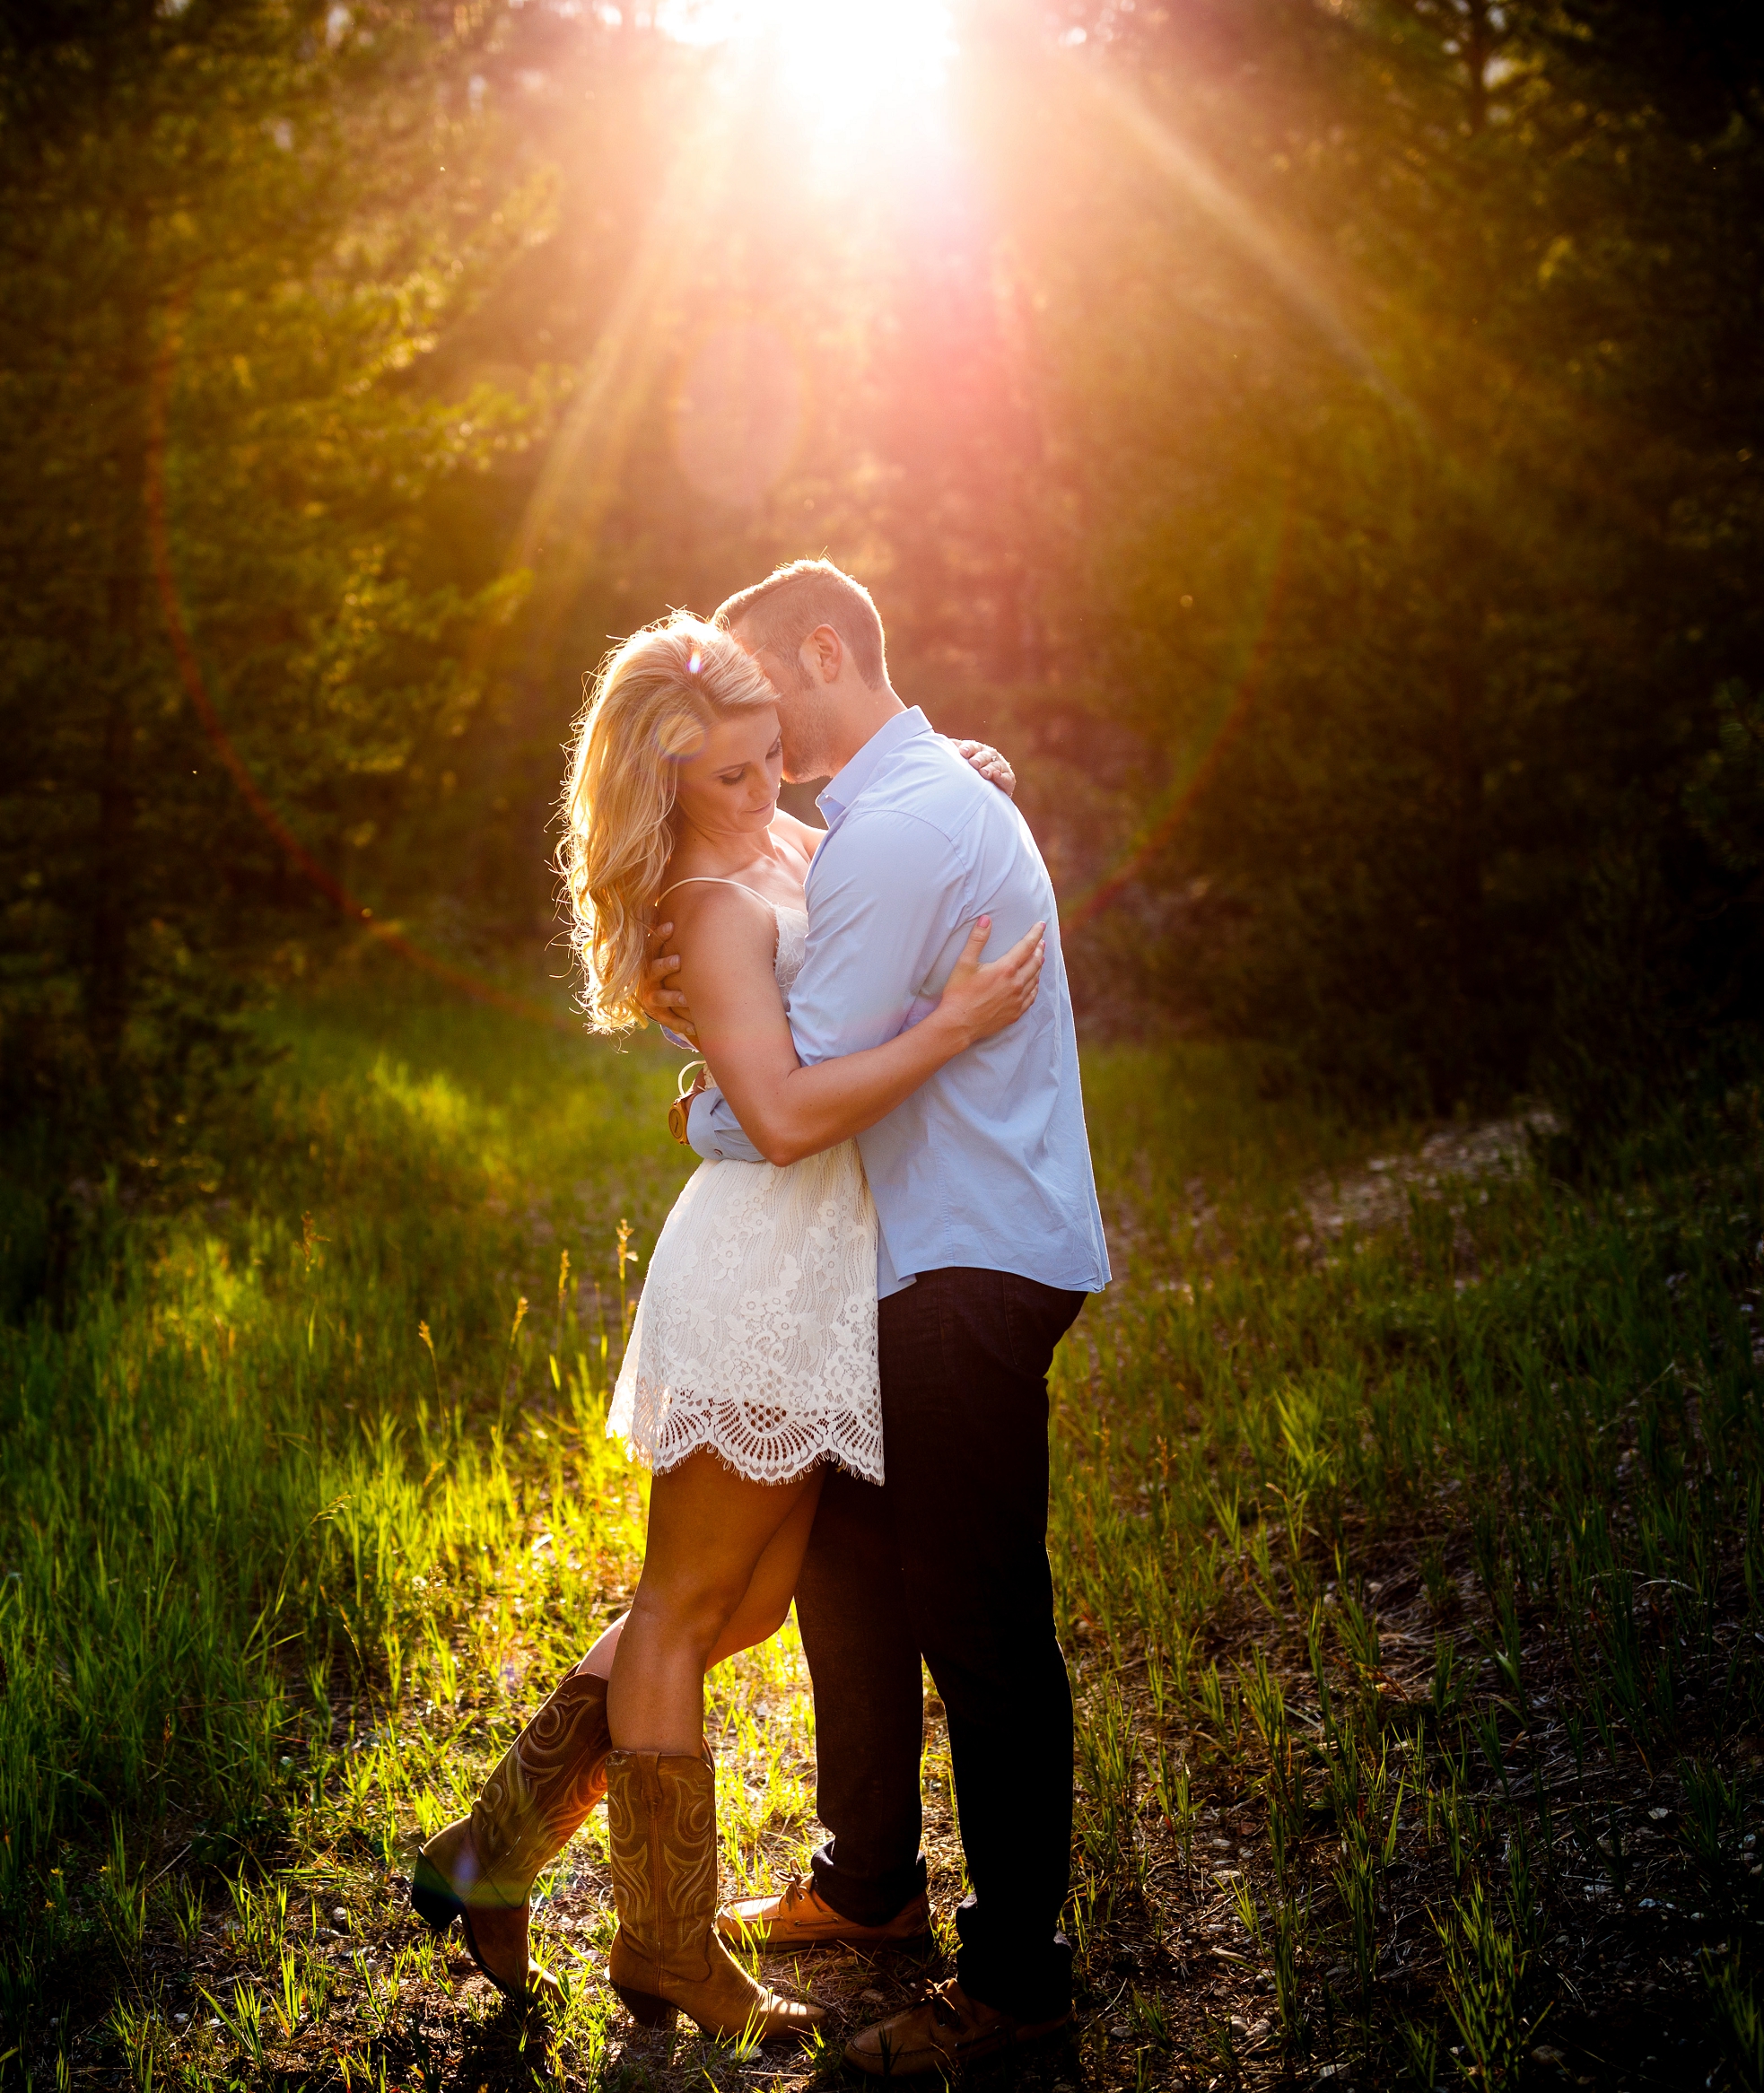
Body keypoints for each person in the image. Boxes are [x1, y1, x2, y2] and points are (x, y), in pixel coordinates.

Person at [407, 612, 1045, 2044]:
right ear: (667, 789)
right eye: (733, 779)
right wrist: (952, 1026)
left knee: (730, 1607)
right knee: (689, 1610)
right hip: (762, 1271)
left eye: (773, 764)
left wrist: (951, 783)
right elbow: (782, 1111)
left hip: (818, 1269)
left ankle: (488, 1855)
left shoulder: (779, 843)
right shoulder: (706, 894)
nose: (771, 796)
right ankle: (665, 1949)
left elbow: (863, 879)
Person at [658, 559, 1111, 2078]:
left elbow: (791, 1094)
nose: (753, 732)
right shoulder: (901, 804)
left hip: (963, 1263)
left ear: (826, 648)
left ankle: (1020, 1979)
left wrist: (708, 1109)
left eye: (760, 694)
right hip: (910, 1256)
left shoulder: (904, 825)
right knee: (853, 1558)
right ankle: (866, 1881)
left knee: (981, 1617)